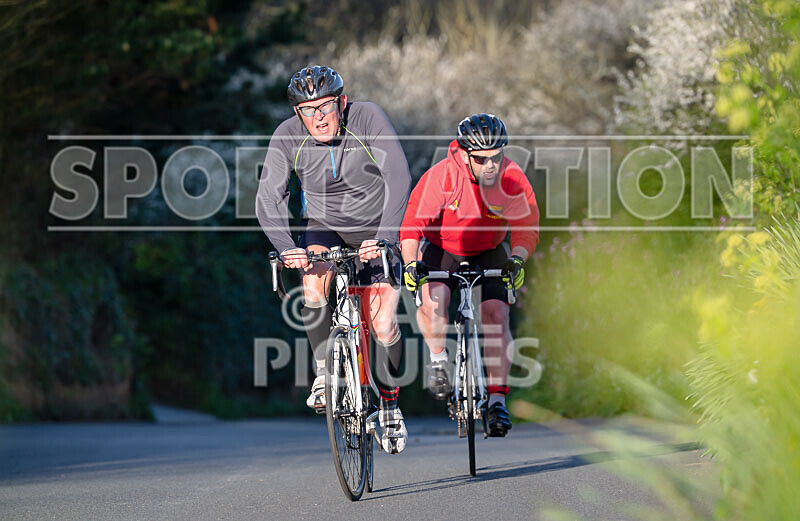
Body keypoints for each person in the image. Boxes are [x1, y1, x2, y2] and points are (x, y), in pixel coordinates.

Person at [256, 65, 412, 454]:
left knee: (383, 321)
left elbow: (399, 177)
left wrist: (386, 237)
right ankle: (326, 371)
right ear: (297, 114)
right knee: (313, 278)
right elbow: (268, 198)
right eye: (308, 110)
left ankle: (390, 401)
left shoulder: (367, 117)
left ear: (341, 103)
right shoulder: (287, 136)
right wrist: (285, 244)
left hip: (376, 228)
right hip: (324, 225)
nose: (319, 117)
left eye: (326, 106)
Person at [399, 113, 539, 437]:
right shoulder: (442, 176)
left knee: (496, 314)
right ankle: (438, 360)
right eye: (481, 159)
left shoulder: (511, 178)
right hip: (443, 248)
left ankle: (497, 400)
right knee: (434, 302)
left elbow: (526, 228)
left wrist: (517, 259)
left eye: (497, 156)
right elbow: (411, 226)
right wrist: (410, 264)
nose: (491, 165)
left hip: (490, 248)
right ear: (464, 154)